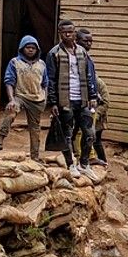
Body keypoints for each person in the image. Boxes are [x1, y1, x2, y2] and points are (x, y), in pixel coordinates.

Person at [45, 20, 101, 178]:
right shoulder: (54, 53)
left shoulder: (82, 51)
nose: (68, 35)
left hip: (82, 99)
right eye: (64, 32)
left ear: (75, 33)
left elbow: (89, 75)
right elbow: (51, 80)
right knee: (67, 134)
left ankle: (84, 164)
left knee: (90, 133)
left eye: (71, 32)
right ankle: (71, 164)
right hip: (65, 100)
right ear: (60, 34)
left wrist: (92, 95)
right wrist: (53, 102)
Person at [0, 35, 47, 158]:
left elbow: (45, 83)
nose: (31, 50)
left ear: (37, 50)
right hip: (20, 96)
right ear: (22, 48)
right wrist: (11, 99)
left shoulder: (42, 64)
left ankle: (35, 156)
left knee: (35, 128)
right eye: (28, 47)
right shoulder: (15, 62)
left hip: (37, 99)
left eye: (33, 48)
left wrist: (45, 99)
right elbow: (9, 81)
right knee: (11, 111)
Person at [77, 28, 108, 166]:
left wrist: (97, 110)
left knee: (92, 137)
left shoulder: (89, 61)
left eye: (91, 41)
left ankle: (91, 159)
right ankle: (78, 158)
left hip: (94, 110)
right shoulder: (76, 57)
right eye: (86, 41)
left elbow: (105, 101)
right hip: (79, 102)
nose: (89, 43)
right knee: (77, 133)